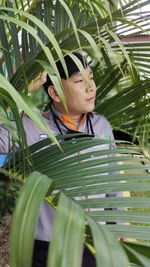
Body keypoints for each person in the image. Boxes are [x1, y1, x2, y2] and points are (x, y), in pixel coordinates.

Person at [0, 52, 123, 267]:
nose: (91, 87)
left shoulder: (102, 126)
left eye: (91, 77)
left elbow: (112, 178)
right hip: (45, 249)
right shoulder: (30, 128)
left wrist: (118, 224)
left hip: (93, 244)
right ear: (55, 93)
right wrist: (21, 93)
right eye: (79, 81)